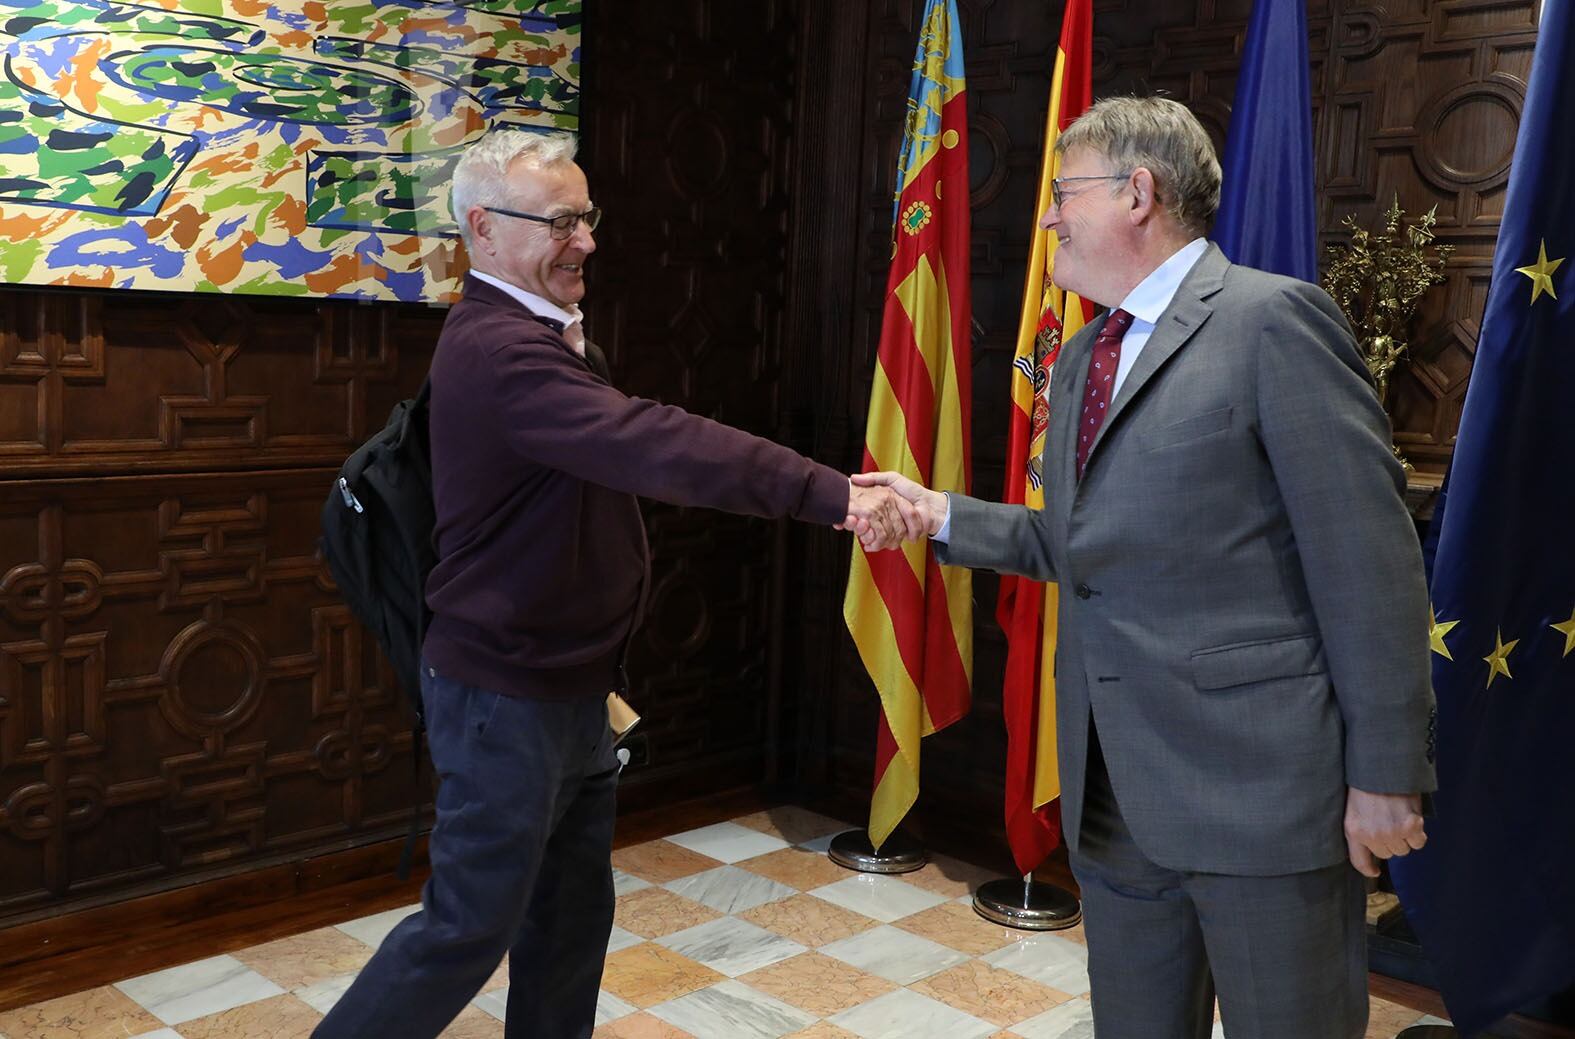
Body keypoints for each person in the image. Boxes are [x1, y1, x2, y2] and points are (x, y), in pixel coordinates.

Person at [311, 130, 919, 1039]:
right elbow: (654, 441)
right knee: (465, 929)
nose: (586, 241)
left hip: (570, 691)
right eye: (560, 221)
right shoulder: (498, 351)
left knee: (567, 927)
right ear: (484, 228)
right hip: (501, 695)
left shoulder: (546, 337)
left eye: (586, 217)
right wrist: (831, 493)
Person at [856, 96, 1435, 1039]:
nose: (1045, 217)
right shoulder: (1086, 353)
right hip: (1115, 793)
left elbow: (1369, 564)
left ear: (1137, 191)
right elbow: (1081, 544)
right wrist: (938, 514)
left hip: (1261, 799)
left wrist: (1384, 773)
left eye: (1060, 192)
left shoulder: (1272, 322)